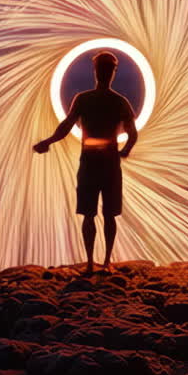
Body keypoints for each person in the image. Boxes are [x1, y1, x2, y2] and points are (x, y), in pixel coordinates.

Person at [33, 50, 138, 274]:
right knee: (97, 214)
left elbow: (67, 126)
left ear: (108, 72)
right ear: (101, 71)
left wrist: (48, 142)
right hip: (102, 163)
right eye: (103, 68)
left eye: (106, 69)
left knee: (101, 214)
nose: (104, 72)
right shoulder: (115, 102)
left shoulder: (94, 100)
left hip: (97, 162)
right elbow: (131, 133)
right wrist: (125, 150)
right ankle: (97, 262)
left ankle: (100, 262)